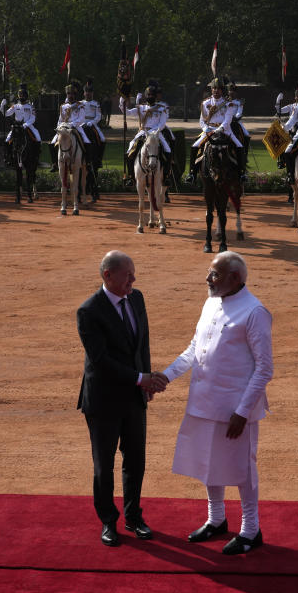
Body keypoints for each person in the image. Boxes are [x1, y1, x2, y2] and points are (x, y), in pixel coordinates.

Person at [151, 251, 273, 556]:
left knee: (243, 469)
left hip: (235, 410)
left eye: (214, 274)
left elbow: (264, 368)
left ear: (235, 278)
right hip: (204, 402)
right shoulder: (210, 303)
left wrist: (243, 412)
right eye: (209, 272)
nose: (208, 279)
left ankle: (251, 529)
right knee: (208, 463)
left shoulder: (254, 312)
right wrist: (165, 376)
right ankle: (216, 519)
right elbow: (195, 348)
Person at [76, 251, 155, 547]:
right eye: (127, 275)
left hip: (134, 397)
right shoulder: (89, 311)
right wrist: (139, 378)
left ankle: (134, 517)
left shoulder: (137, 298)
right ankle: (108, 521)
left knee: (136, 460)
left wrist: (145, 378)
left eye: (134, 274)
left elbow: (142, 342)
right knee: (104, 465)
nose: (133, 280)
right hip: (103, 401)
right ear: (108, 276)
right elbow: (100, 360)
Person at [185, 78, 245, 183]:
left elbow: (228, 119)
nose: (216, 91)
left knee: (239, 145)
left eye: (218, 89)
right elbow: (202, 120)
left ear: (222, 90)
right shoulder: (205, 103)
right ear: (211, 89)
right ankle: (192, 173)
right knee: (194, 146)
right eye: (214, 88)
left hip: (224, 129)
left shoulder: (228, 103)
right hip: (209, 129)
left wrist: (220, 129)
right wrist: (206, 129)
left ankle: (241, 173)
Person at [49, 81, 91, 172]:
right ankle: (55, 163)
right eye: (68, 94)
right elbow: (60, 119)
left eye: (72, 94)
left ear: (75, 95)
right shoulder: (63, 106)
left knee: (86, 141)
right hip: (63, 128)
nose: (70, 95)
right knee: (52, 142)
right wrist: (59, 127)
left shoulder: (80, 106)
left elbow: (81, 119)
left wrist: (71, 124)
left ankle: (87, 162)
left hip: (76, 127)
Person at [0, 83, 41, 166]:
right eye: (20, 95)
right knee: (7, 139)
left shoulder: (30, 107)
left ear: (26, 95)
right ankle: (7, 157)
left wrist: (25, 125)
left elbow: (33, 118)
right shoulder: (15, 106)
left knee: (38, 137)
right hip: (16, 127)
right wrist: (2, 105)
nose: (21, 96)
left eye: (22, 95)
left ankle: (36, 157)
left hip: (28, 125)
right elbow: (5, 113)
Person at [274, 84, 298, 170]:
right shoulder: (291, 106)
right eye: (296, 96)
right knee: (282, 139)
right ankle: (282, 160)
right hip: (292, 128)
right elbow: (279, 110)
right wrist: (278, 100)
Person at [227, 82, 251, 181]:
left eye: (233, 91)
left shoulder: (239, 102)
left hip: (237, 122)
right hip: (225, 123)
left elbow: (239, 112)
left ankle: (244, 154)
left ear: (236, 93)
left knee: (246, 135)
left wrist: (234, 118)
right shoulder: (224, 101)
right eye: (230, 90)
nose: (231, 92)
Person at [81, 79, 106, 169]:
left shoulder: (96, 104)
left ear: (92, 93)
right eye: (86, 92)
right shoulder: (80, 103)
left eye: (90, 92)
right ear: (84, 93)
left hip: (93, 123)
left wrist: (92, 122)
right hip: (81, 123)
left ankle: (99, 159)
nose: (88, 93)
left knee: (102, 139)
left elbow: (98, 116)